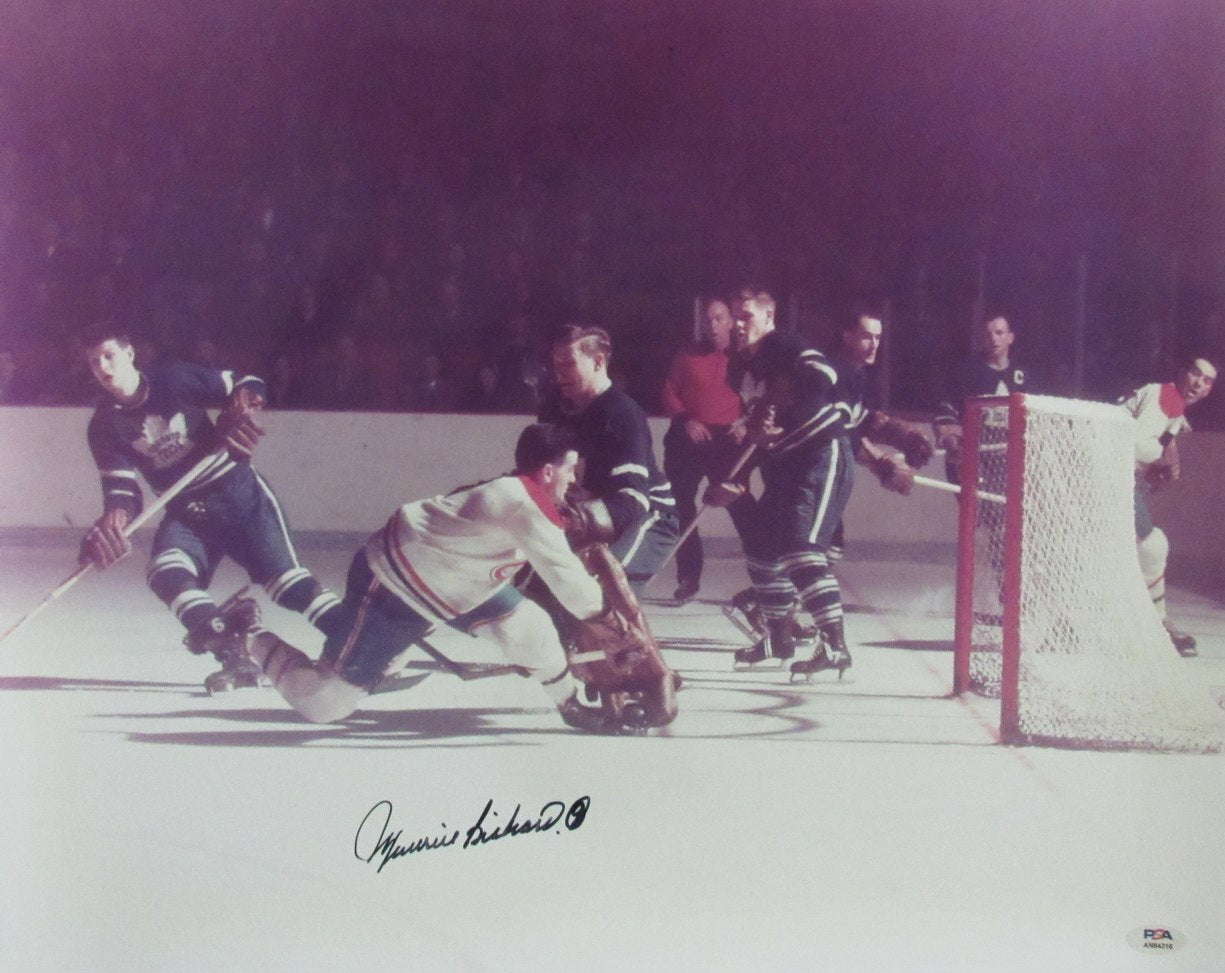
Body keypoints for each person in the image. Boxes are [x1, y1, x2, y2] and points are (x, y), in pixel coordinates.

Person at [238, 423, 616, 732]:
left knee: (530, 628)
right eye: (569, 470)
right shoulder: (524, 503)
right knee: (326, 703)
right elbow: (573, 589)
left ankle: (569, 703)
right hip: (393, 586)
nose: (573, 479)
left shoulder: (515, 493)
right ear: (548, 471)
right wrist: (615, 623)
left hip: (457, 583)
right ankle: (249, 637)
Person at [78, 321, 344, 693]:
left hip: (239, 497)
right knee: (166, 574)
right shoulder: (103, 426)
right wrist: (115, 518)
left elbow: (246, 381)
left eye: (109, 356)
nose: (103, 368)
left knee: (288, 586)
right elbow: (123, 490)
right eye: (94, 362)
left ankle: (360, 641)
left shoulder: (172, 378)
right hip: (188, 512)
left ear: (129, 353)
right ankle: (236, 652)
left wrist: (243, 404)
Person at [710, 294, 932, 677]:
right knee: (762, 552)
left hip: (817, 458)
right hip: (784, 463)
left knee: (803, 550)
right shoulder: (741, 366)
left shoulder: (783, 345)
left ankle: (834, 646)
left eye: (747, 316)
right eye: (736, 318)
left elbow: (828, 392)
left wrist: (884, 457)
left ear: (769, 317)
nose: (739, 324)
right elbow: (763, 428)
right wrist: (739, 474)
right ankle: (778, 636)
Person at [538, 324, 679, 592]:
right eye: (556, 366)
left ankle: (619, 632)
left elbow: (634, 501)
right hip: (586, 516)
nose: (559, 376)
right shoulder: (552, 409)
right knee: (545, 585)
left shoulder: (623, 414)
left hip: (650, 517)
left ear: (598, 362)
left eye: (569, 364)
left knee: (601, 586)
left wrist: (576, 519)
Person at [1120, 353, 1218, 657]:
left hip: (1114, 474)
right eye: (1195, 374)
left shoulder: (1173, 410)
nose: (1198, 383)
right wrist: (1163, 459)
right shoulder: (1168, 397)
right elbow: (1136, 445)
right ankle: (1158, 624)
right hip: (1109, 475)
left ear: (1208, 390)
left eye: (1206, 381)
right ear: (1182, 373)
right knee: (1153, 546)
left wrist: (1159, 464)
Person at [660, 296, 752, 602]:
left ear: (730, 321)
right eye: (708, 319)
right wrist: (686, 419)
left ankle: (764, 577)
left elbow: (761, 398)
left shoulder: (744, 357)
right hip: (687, 437)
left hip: (726, 441)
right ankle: (688, 577)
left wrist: (745, 423)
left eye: (719, 318)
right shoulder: (687, 354)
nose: (712, 325)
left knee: (741, 505)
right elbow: (670, 390)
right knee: (682, 507)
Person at [933, 314, 1031, 483]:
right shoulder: (966, 372)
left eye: (999, 333)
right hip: (974, 461)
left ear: (1010, 337)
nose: (993, 339)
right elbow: (945, 416)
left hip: (1010, 461)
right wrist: (951, 438)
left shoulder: (1022, 374)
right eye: (988, 334)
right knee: (979, 509)